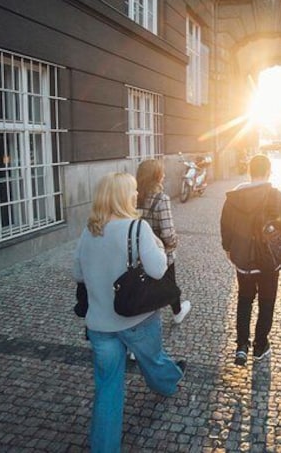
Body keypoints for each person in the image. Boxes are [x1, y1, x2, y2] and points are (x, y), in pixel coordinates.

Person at [73, 172, 185, 452]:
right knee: (154, 360)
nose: (137, 195)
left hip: (99, 324)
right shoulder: (138, 228)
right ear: (122, 196)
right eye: (133, 191)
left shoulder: (89, 230)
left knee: (107, 388)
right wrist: (159, 246)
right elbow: (158, 269)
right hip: (137, 319)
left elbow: (77, 273)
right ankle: (169, 383)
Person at [220, 154, 281, 366]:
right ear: (268, 171)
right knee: (267, 302)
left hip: (243, 259)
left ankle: (241, 346)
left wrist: (228, 249)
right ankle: (260, 345)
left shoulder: (233, 198)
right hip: (269, 261)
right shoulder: (278, 197)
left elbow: (225, 226)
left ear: (250, 172)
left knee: (244, 300)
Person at [137, 159, 191, 324]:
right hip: (159, 251)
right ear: (157, 176)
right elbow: (168, 233)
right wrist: (174, 243)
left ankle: (140, 316)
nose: (164, 175)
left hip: (139, 251)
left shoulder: (135, 197)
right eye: (162, 173)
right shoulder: (161, 199)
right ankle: (177, 312)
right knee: (169, 283)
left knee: (141, 283)